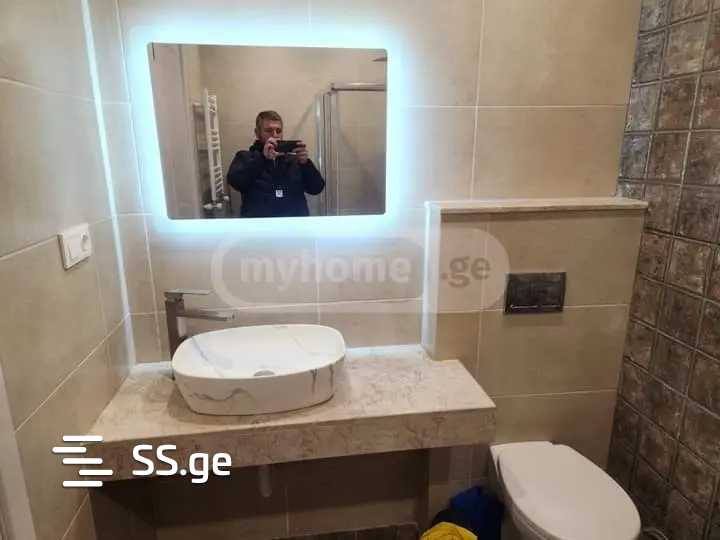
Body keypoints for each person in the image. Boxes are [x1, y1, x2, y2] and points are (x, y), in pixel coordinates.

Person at [226, 111, 325, 218]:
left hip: (294, 224)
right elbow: (236, 182)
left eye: (278, 131)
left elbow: (316, 188)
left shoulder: (295, 161)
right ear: (257, 133)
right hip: (259, 224)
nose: (275, 135)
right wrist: (262, 158)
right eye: (269, 131)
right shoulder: (245, 157)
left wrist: (306, 164)